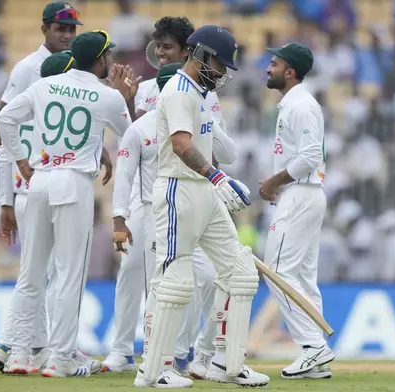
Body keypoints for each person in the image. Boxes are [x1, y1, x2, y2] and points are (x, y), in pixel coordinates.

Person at [135, 25, 268, 388]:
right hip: (179, 190)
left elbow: (211, 145)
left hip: (203, 192)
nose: (222, 72)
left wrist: (215, 179)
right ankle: (155, 370)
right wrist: (216, 176)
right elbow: (180, 144)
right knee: (176, 280)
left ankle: (228, 363)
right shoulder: (179, 90)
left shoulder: (199, 93)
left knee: (239, 272)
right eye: (220, 64)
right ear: (202, 55)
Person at [0, 30, 135, 377]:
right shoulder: (106, 95)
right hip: (73, 183)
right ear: (100, 59)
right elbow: (131, 137)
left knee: (31, 274)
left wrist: (20, 160)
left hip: (38, 180)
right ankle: (60, 358)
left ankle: (19, 354)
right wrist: (124, 98)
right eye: (108, 56)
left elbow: (4, 119)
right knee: (69, 275)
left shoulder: (45, 85)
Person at [102, 16, 225, 377]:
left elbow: (213, 144)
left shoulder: (206, 90)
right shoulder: (145, 88)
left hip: (188, 196)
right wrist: (125, 103)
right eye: (158, 47)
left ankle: (180, 350)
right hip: (148, 195)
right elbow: (136, 138)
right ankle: (122, 350)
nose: (161, 53)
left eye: (168, 47)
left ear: (188, 51)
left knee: (192, 277)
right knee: (132, 272)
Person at [258, 42, 334, 379]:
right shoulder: (293, 103)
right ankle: (313, 355)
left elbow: (308, 159)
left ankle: (314, 347)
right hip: (303, 193)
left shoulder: (301, 105)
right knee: (302, 277)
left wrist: (274, 182)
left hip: (301, 193)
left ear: (290, 72)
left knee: (276, 272)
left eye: (274, 64)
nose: (268, 68)